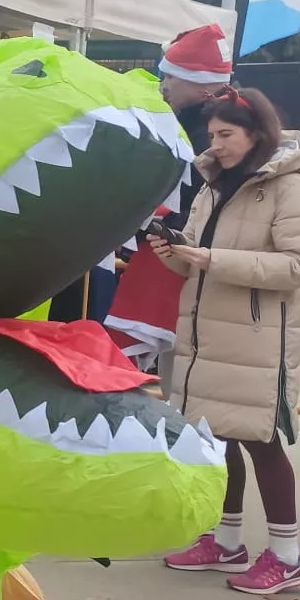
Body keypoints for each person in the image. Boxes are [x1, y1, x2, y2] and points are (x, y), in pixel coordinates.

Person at [157, 88, 300, 595]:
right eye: (211, 135)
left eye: (226, 134)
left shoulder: (294, 187)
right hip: (208, 333)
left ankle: (289, 555)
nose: (217, 144)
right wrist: (173, 250)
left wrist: (211, 259)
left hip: (258, 339)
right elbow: (197, 257)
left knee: (261, 441)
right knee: (217, 437)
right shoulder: (213, 185)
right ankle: (225, 541)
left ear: (258, 134)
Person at [105, 25, 236, 366]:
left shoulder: (207, 133)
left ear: (200, 82)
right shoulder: (187, 124)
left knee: (185, 374)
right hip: (184, 261)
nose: (162, 86)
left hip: (199, 270)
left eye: (168, 77)